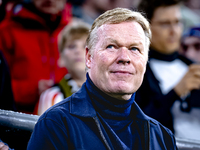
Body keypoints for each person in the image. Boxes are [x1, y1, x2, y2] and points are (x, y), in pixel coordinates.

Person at [27, 8, 178, 149]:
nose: (124, 58)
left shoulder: (163, 138)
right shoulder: (56, 124)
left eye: (134, 49)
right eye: (111, 46)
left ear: (145, 61)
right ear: (88, 57)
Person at [136, 0, 200, 140]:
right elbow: (138, 126)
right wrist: (176, 92)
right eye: (165, 23)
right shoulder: (136, 70)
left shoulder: (192, 66)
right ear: (146, 28)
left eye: (177, 22)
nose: (174, 30)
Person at [0, 0, 72, 113]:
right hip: (19, 119)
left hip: (64, 118)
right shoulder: (7, 31)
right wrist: (31, 90)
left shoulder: (75, 30)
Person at [35, 20, 90, 115]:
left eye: (85, 46)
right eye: (71, 46)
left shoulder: (109, 93)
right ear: (61, 58)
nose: (78, 51)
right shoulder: (52, 96)